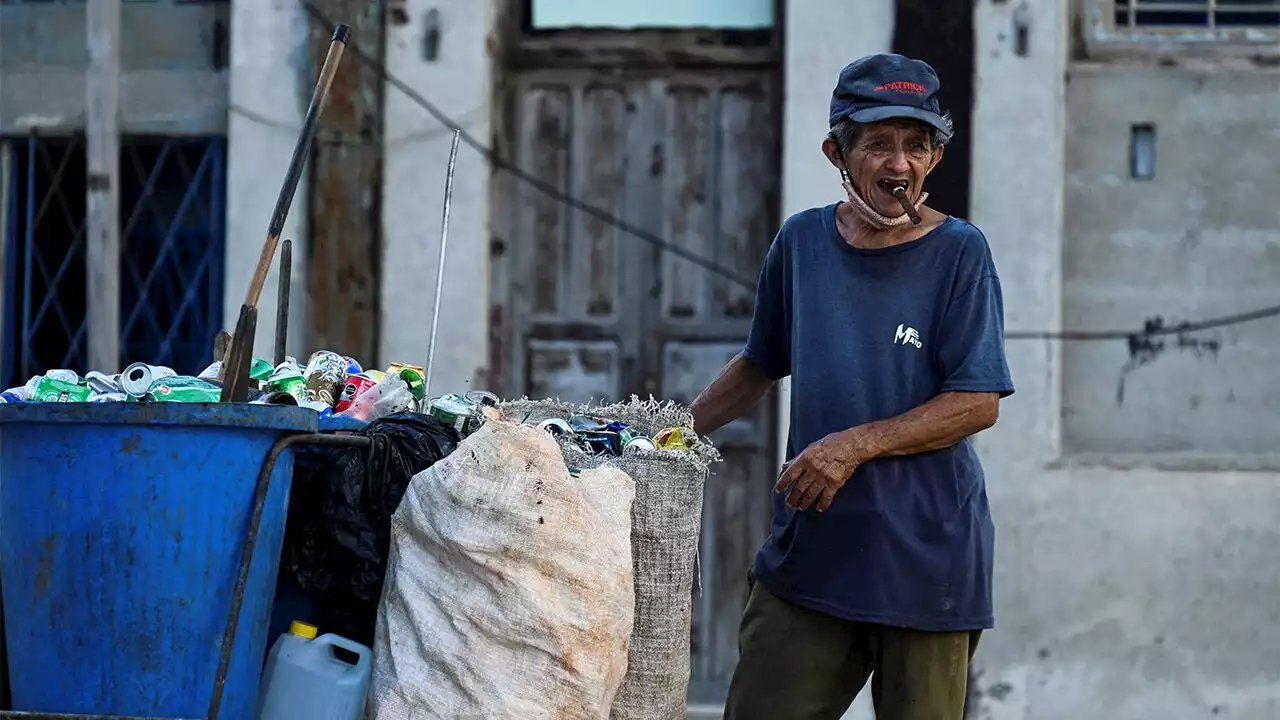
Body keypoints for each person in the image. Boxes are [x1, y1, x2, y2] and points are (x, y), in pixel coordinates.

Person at [690, 53, 1015, 720]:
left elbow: (976, 401)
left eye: (917, 145)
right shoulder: (802, 243)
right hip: (812, 560)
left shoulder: (961, 253)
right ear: (837, 151)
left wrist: (854, 446)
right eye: (879, 144)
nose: (900, 165)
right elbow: (760, 362)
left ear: (934, 158)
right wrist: (669, 434)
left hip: (928, 568)